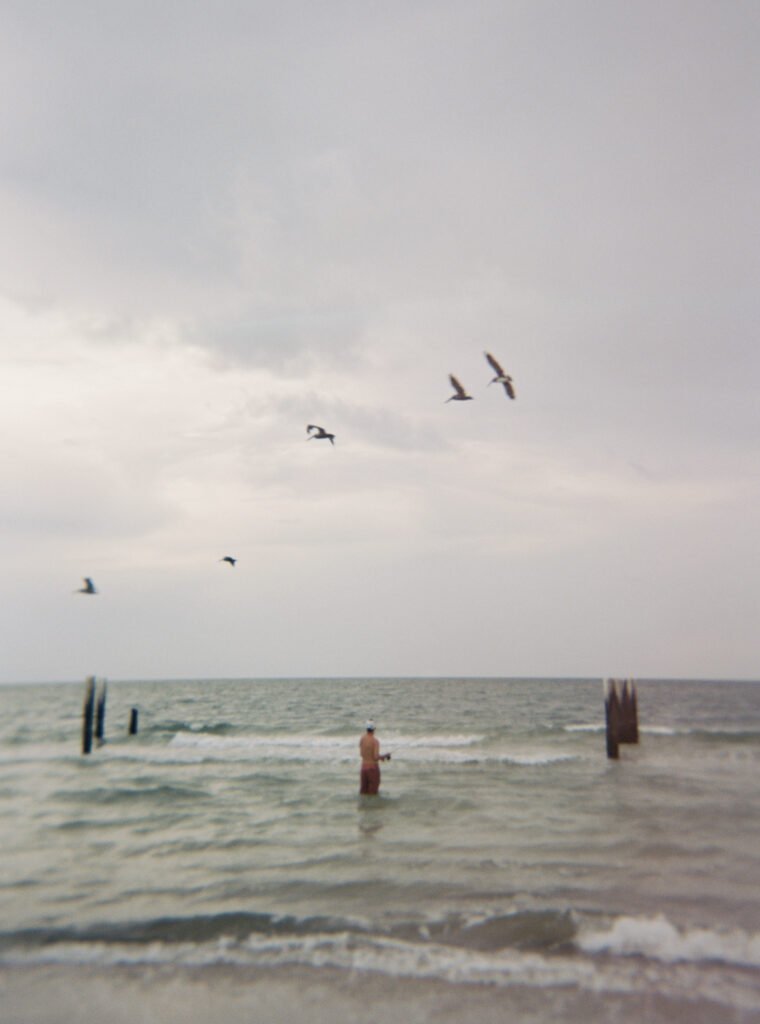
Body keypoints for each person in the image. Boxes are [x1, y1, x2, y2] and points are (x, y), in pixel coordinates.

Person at [359, 718, 390, 795]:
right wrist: (385, 756)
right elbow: (376, 757)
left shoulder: (362, 739)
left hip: (363, 768)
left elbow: (362, 754)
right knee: (373, 793)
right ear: (374, 728)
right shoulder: (375, 741)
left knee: (363, 792)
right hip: (372, 768)